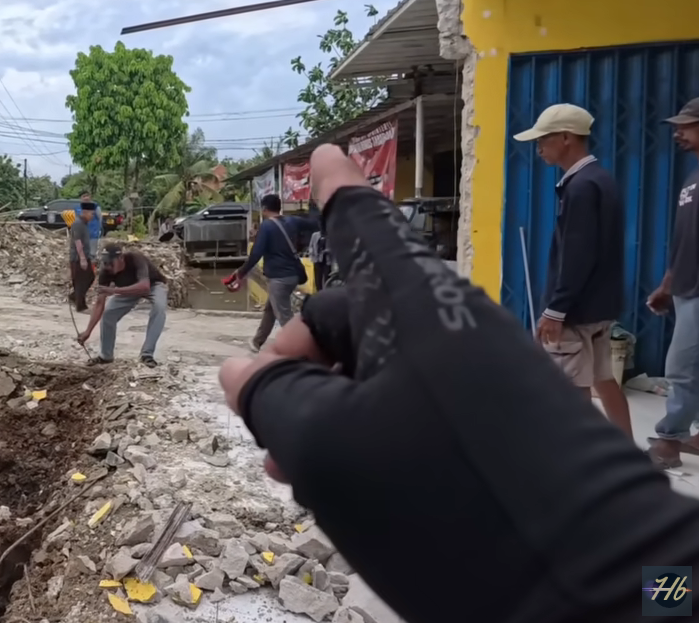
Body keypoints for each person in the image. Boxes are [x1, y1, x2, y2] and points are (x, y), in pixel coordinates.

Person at [219, 144, 699, 623]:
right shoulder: (670, 587)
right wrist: (621, 558)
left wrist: (600, 575)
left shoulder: (588, 185)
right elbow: (672, 595)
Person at [513, 104, 631, 439]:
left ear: (566, 138)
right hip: (600, 307)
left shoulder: (580, 187)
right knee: (603, 381)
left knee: (571, 390)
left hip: (575, 311)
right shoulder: (602, 180)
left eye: (544, 140)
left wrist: (555, 309)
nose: (538, 148)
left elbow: (578, 255)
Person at [647, 97, 699, 469]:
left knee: (681, 366)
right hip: (686, 288)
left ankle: (670, 440)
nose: (678, 133)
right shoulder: (692, 180)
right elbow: (684, 240)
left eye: (686, 125)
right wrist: (667, 283)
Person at [232, 194, 318, 352]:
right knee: (271, 310)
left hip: (279, 278)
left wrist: (241, 272)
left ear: (264, 209)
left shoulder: (267, 226)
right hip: (292, 275)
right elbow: (315, 224)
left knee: (285, 317)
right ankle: (257, 341)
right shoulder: (292, 221)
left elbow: (256, 253)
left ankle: (302, 351)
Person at [77, 243, 167, 368]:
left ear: (121, 258)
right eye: (105, 263)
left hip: (153, 285)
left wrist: (114, 291)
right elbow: (99, 303)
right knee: (108, 313)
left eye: (110, 262)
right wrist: (88, 332)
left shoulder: (135, 258)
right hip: (127, 290)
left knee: (159, 308)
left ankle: (147, 354)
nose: (107, 266)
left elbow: (145, 288)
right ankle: (106, 356)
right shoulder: (106, 271)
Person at [68, 202, 97, 312]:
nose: (92, 216)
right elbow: (77, 241)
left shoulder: (84, 224)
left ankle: (74, 296)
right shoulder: (78, 224)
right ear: (85, 212)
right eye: (91, 214)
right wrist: (82, 258)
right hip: (78, 257)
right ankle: (80, 306)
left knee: (90, 277)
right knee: (80, 281)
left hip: (85, 255)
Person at [75, 191, 103, 259]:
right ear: (81, 198)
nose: (86, 198)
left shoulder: (95, 207)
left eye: (87, 196)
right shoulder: (78, 208)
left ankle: (92, 267)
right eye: (84, 196)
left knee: (92, 254)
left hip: (93, 234)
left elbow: (100, 218)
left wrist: (99, 229)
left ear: (90, 197)